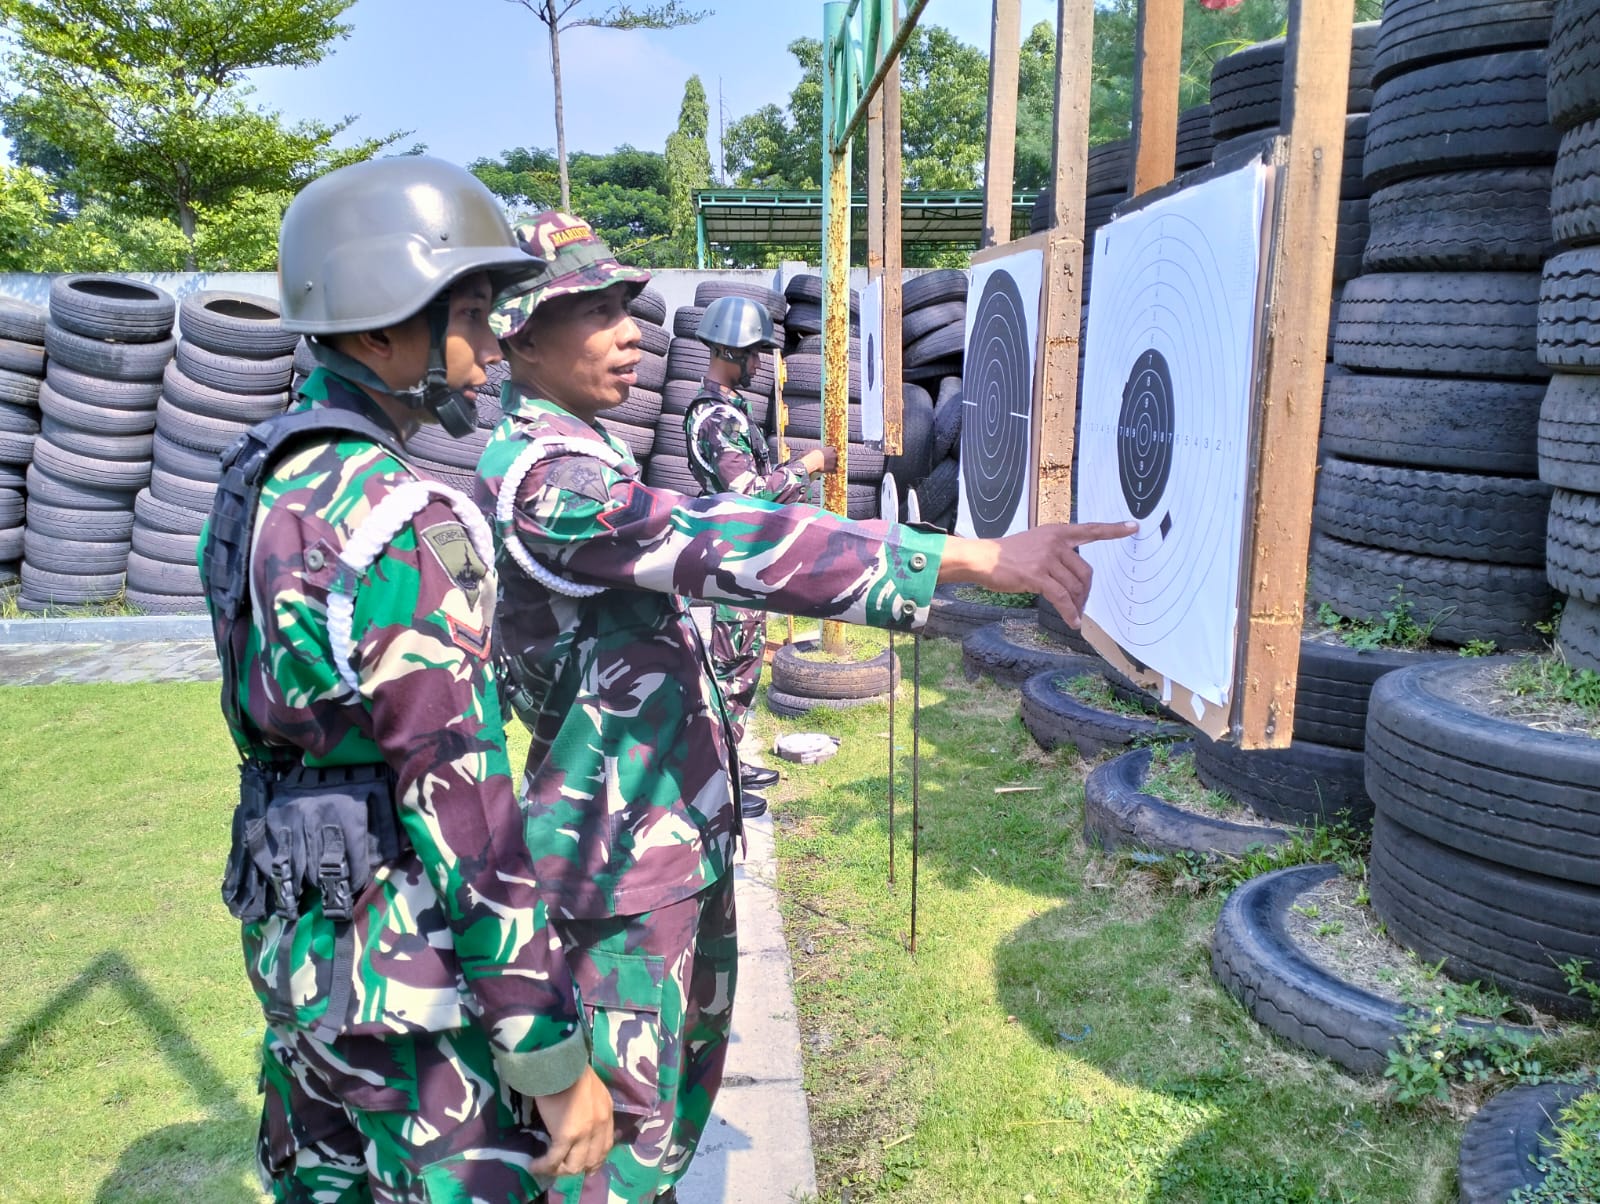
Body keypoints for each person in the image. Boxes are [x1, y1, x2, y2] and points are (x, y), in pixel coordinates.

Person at [475, 210, 1136, 1204]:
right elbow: (728, 538)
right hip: (618, 867)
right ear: (520, 338)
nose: (628, 333)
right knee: (610, 1153)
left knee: (659, 1128)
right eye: (592, 313)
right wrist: (973, 557)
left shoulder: (583, 449)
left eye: (625, 308)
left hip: (658, 838)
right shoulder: (549, 478)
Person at [198, 159, 613, 1203]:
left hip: (301, 960)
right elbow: (467, 815)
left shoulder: (265, 477)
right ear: (381, 329)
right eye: (469, 317)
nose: (490, 352)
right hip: (409, 995)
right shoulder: (400, 520)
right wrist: (550, 1059)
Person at [683, 294, 834, 812]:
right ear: (732, 350)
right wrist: (808, 465)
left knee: (742, 672)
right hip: (729, 567)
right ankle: (716, 786)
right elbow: (749, 495)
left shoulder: (729, 412)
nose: (759, 364)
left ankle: (729, 761)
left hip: (744, 564)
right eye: (754, 354)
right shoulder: (715, 419)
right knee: (728, 675)